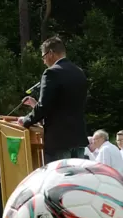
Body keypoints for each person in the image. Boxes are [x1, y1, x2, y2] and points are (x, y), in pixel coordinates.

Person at [18, 36, 88, 164]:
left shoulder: (51, 73)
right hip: (78, 138)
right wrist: (36, 105)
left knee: (61, 181)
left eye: (43, 56)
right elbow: (66, 104)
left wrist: (26, 120)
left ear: (50, 53)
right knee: (75, 181)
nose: (44, 61)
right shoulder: (79, 72)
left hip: (59, 140)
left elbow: (44, 107)